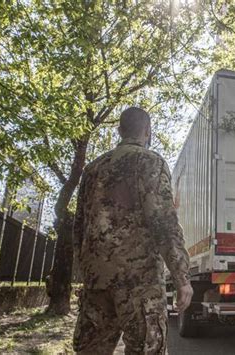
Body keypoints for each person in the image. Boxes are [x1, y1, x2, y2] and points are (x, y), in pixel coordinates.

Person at [72, 107, 193, 354]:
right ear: (147, 132)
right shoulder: (151, 163)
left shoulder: (92, 170)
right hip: (140, 283)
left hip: (97, 282)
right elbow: (163, 223)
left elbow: (79, 227)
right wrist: (182, 278)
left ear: (119, 131)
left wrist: (86, 272)